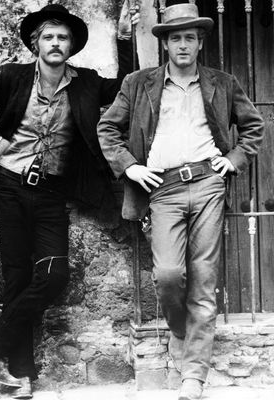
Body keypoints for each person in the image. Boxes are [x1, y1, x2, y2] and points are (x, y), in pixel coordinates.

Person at [0, 2, 139, 398]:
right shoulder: (11, 77)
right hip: (10, 186)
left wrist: (125, 38)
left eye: (63, 37)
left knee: (53, 277)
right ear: (36, 44)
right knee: (17, 278)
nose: (56, 43)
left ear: (72, 45)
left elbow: (129, 85)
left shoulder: (87, 82)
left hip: (53, 192)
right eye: (48, 37)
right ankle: (21, 374)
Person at [97, 3, 264, 400]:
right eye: (176, 38)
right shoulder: (139, 83)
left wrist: (234, 159)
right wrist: (131, 167)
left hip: (208, 183)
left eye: (191, 37)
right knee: (169, 275)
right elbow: (108, 127)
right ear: (166, 44)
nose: (183, 44)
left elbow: (254, 127)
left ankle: (194, 374)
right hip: (163, 189)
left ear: (201, 42)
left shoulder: (222, 82)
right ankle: (181, 333)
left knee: (203, 279)